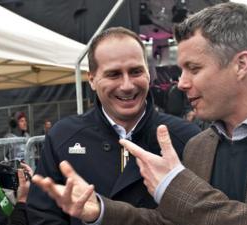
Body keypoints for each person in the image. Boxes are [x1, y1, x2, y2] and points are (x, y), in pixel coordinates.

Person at [32, 2, 247, 225]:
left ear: (241, 64)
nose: (182, 84)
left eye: (193, 68)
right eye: (182, 69)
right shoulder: (200, 146)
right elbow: (171, 221)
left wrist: (179, 186)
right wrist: (100, 210)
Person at [27, 27, 201, 225]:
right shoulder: (63, 137)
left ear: (148, 73)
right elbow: (41, 215)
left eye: (135, 71)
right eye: (114, 74)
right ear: (92, 80)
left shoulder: (187, 138)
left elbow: (201, 215)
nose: (127, 85)